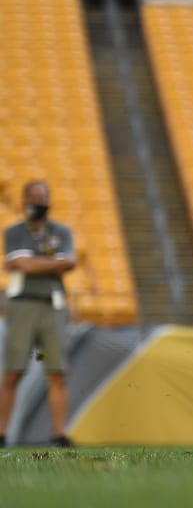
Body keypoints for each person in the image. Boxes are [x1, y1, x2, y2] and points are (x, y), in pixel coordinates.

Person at [2, 180, 76, 448]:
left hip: (53, 305)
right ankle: (1, 433)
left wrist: (32, 263)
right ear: (24, 200)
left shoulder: (62, 231)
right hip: (22, 304)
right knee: (13, 372)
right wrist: (52, 263)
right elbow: (27, 265)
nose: (38, 201)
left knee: (57, 372)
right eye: (33, 196)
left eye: (42, 196)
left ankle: (59, 434)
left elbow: (68, 262)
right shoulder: (15, 232)